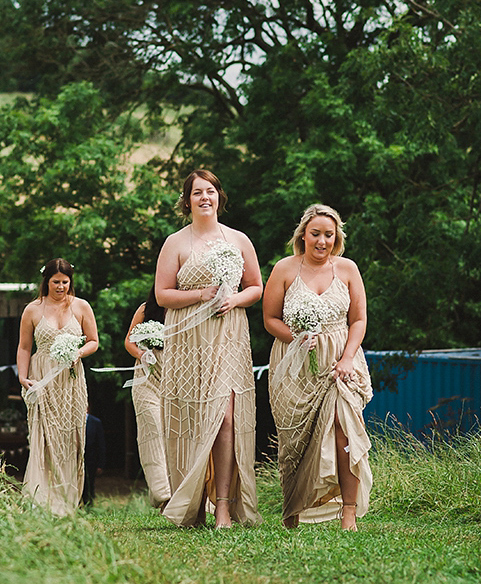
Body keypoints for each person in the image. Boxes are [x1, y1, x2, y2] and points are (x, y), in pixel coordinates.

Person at [154, 170, 264, 529]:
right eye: (197, 192)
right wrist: (201, 295)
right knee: (193, 418)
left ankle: (224, 506)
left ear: (219, 197)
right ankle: (192, 503)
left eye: (211, 191)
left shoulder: (238, 239)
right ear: (187, 201)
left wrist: (232, 299)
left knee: (225, 417)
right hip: (188, 338)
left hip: (229, 335)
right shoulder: (175, 242)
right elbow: (162, 295)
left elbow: (256, 288)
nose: (205, 197)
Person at [262, 204, 373, 531]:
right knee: (295, 439)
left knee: (344, 427)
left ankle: (348, 512)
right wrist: (296, 336)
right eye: (316, 234)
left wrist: (348, 358)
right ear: (303, 236)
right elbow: (270, 319)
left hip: (340, 361)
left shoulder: (348, 269)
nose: (322, 241)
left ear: (336, 237)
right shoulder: (284, 269)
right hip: (295, 364)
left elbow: (359, 319)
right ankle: (292, 510)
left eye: (329, 234)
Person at [17, 258, 99, 516]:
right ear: (46, 281)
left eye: (65, 282)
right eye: (56, 282)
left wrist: (79, 352)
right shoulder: (33, 309)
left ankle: (66, 500)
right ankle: (42, 500)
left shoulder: (82, 306)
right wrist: (22, 376)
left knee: (70, 437)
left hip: (71, 380)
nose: (61, 287)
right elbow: (24, 347)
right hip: (43, 377)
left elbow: (94, 341)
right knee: (44, 437)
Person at [124, 286, 171, 508]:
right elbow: (129, 342)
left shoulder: (183, 312)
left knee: (172, 434)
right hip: (146, 378)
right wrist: (143, 354)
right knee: (153, 429)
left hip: (173, 378)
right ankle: (163, 492)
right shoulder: (145, 310)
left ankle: (172, 494)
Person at [82, 413, 106, 507]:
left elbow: (101, 444)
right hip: (77, 460)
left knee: (89, 484)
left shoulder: (95, 422)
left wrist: (101, 464)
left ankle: (89, 505)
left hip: (91, 460)